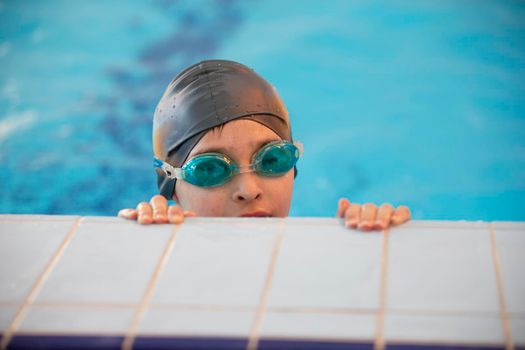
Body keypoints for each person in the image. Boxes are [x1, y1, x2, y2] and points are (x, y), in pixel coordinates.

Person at [118, 59, 411, 231]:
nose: (249, 191)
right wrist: (150, 251)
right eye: (210, 169)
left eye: (272, 160)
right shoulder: (164, 252)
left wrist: (367, 239)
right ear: (171, 186)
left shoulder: (324, 245)